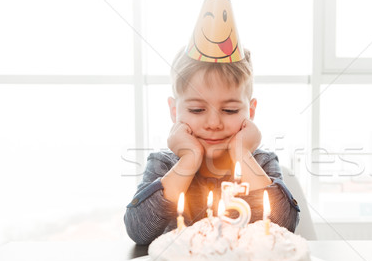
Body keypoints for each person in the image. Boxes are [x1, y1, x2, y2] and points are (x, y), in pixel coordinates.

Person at [123, 47, 300, 244]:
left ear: (250, 111)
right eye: (197, 109)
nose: (214, 123)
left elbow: (284, 226)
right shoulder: (164, 164)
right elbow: (138, 231)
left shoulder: (261, 162)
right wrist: (190, 159)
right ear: (174, 111)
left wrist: (241, 153)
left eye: (230, 110)